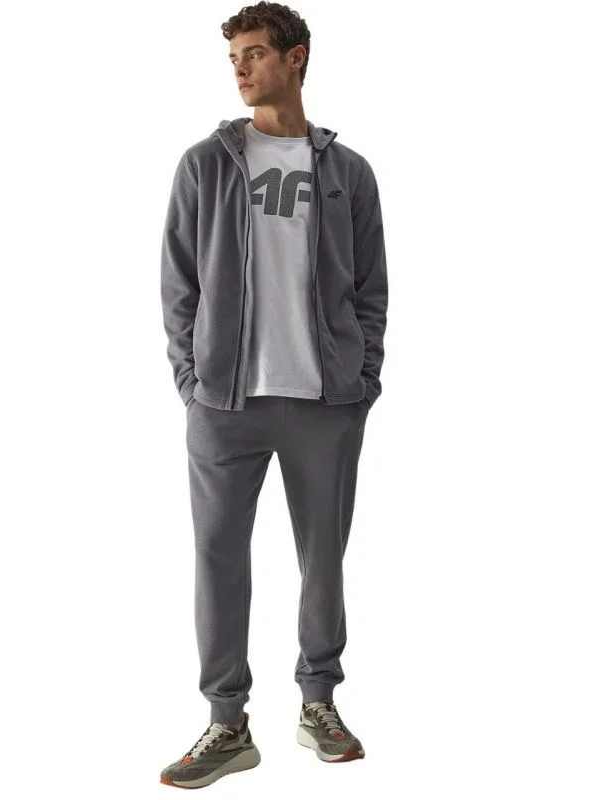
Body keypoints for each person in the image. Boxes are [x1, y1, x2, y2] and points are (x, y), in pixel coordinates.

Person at [159, 2, 388, 788]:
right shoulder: (205, 164)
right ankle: (227, 722)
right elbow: (178, 283)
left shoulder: (348, 172)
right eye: (234, 58)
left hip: (326, 402)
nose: (241, 69)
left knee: (323, 561)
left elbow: (371, 287)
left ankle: (319, 703)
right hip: (224, 403)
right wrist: (191, 380)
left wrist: (362, 379)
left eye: (255, 53)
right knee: (217, 560)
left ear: (296, 58)